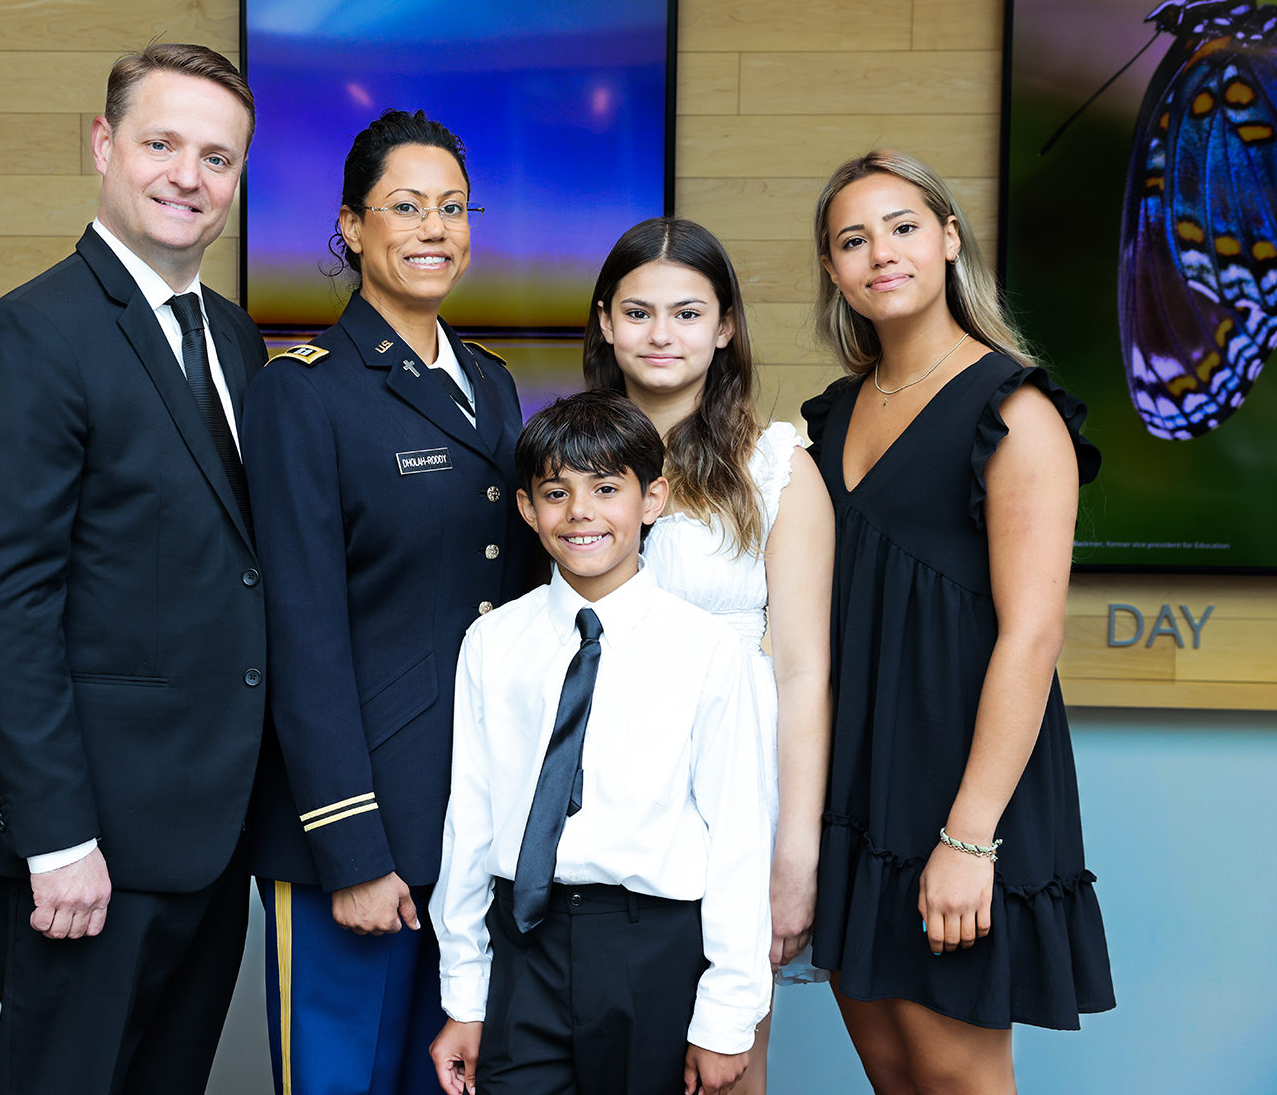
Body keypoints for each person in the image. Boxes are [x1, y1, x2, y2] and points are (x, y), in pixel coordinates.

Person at [0, 43, 267, 1095]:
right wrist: (56, 838)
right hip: (92, 852)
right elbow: (0, 604)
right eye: (161, 143)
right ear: (103, 145)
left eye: (217, 157)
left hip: (212, 837)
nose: (188, 175)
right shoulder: (32, 336)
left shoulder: (234, 337)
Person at [241, 108, 543, 1095]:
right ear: (351, 227)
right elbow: (301, 625)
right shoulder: (306, 392)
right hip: (361, 827)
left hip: (469, 819)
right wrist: (350, 844)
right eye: (405, 206)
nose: (433, 228)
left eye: (452, 208)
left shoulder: (492, 387)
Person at [803, 150, 1115, 1093]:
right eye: (853, 240)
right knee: (895, 1076)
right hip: (855, 790)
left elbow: (1033, 636)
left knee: (959, 1084)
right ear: (833, 271)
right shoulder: (826, 419)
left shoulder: (1014, 411)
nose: (880, 253)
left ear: (946, 240)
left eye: (902, 227)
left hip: (960, 793)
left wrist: (969, 839)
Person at [427, 390, 771, 1095]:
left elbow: (738, 832)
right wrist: (465, 996)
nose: (580, 512)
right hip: (526, 939)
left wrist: (727, 1016)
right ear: (527, 509)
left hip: (650, 943)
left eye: (607, 489)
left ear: (653, 500)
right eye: (557, 492)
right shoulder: (493, 642)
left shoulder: (704, 649)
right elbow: (471, 816)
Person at [584, 217, 834, 1092]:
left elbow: (803, 673)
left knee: (725, 1066)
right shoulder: (569, 460)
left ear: (725, 326)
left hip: (734, 793)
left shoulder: (776, 465)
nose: (662, 334)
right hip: (601, 807)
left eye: (687, 313)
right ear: (606, 321)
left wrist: (793, 854)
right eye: (640, 311)